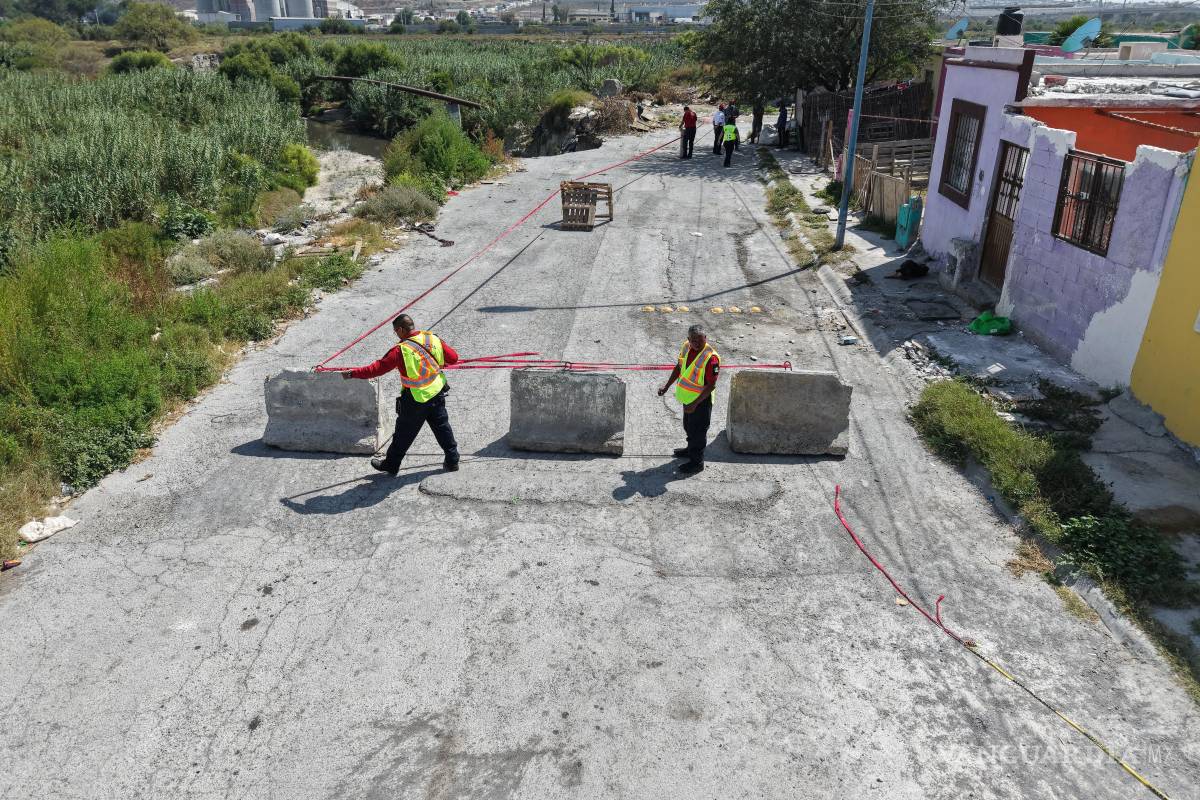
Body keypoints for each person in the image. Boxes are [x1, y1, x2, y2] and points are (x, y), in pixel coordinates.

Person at [342, 314, 460, 475]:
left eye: (395, 332)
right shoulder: (431, 338)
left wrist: (352, 374)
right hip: (436, 392)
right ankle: (453, 460)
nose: (396, 335)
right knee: (442, 427)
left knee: (403, 433)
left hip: (415, 399)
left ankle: (391, 464)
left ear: (400, 329)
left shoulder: (400, 350)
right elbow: (453, 358)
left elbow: (377, 368)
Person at [658, 324, 720, 474]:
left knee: (698, 432)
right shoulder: (686, 347)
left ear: (705, 338)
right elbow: (679, 367)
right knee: (688, 427)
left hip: (701, 401)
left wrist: (694, 403)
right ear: (688, 339)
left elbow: (711, 385)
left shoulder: (711, 358)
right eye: (693, 340)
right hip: (688, 399)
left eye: (700, 340)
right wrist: (666, 386)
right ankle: (689, 450)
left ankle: (696, 462)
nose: (696, 344)